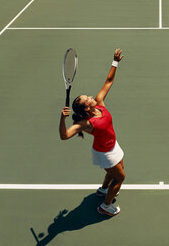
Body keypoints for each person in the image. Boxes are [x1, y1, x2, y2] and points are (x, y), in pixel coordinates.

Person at [59, 49, 125, 217]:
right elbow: (64, 136)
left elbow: (108, 81)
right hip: (105, 152)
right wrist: (62, 119)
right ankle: (105, 206)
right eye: (88, 99)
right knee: (119, 178)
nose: (90, 96)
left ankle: (103, 190)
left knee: (115, 172)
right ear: (87, 108)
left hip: (112, 145)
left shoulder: (100, 103)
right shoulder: (86, 124)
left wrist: (115, 61)